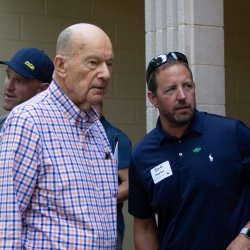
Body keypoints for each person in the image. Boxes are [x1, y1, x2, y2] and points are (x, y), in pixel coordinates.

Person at [0, 23, 117, 249]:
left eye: (109, 64)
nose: (105, 74)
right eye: (93, 62)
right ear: (61, 66)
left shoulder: (96, 127)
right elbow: (6, 222)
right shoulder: (28, 121)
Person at [128, 52, 250, 250]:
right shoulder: (142, 155)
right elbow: (145, 227)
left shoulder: (232, 134)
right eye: (170, 90)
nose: (182, 96)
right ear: (153, 98)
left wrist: (247, 236)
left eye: (187, 86)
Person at [95, 101, 132, 250]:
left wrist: (101, 199)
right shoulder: (69, 133)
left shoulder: (115, 137)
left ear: (100, 107)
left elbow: (129, 183)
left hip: (107, 225)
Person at [0, 47, 54, 129]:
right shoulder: (3, 123)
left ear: (43, 90)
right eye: (8, 76)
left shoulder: (48, 132)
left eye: (19, 80)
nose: (9, 86)